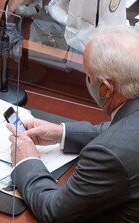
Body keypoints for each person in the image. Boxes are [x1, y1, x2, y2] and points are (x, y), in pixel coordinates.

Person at [7, 24, 139, 223]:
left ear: (105, 89)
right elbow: (125, 132)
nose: (86, 80)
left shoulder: (109, 155)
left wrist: (27, 161)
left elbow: (55, 212)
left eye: (87, 75)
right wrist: (61, 133)